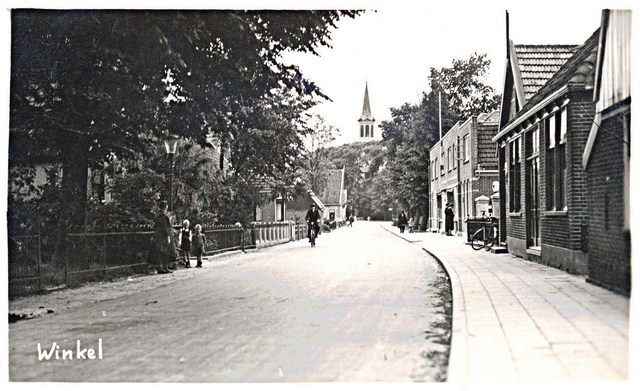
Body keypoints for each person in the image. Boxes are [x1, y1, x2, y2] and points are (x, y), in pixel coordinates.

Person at [153, 200, 175, 274]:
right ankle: (164, 267)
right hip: (163, 236)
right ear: (165, 207)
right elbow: (165, 227)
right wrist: (167, 236)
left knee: (159, 251)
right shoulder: (163, 216)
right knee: (165, 252)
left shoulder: (157, 215)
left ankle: (160, 267)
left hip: (158, 235)